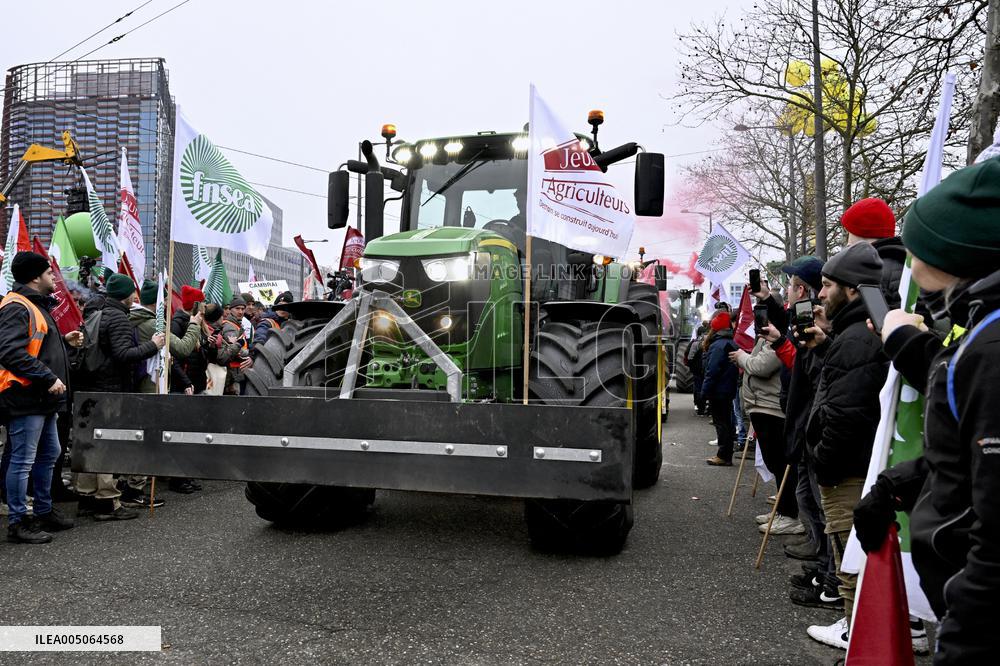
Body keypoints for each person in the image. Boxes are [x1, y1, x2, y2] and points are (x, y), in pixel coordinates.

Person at [852, 156, 1000, 663]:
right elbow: (967, 449)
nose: (905, 256)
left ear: (952, 251)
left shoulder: (992, 347)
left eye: (918, 242)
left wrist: (962, 646)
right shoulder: (979, 329)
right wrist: (903, 482)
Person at [798, 242, 889, 650]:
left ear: (851, 290)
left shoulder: (856, 339)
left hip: (846, 470)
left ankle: (858, 640)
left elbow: (847, 414)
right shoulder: (859, 331)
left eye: (827, 285)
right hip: (855, 465)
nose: (820, 294)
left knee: (849, 558)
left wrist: (822, 463)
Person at [0, 252, 83, 543]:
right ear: (35, 277)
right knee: (23, 460)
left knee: (50, 454)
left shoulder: (34, 305)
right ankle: (18, 521)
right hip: (27, 397)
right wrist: (48, 378)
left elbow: (36, 347)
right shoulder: (16, 306)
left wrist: (63, 342)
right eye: (49, 273)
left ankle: (44, 511)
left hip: (40, 398)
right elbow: (10, 352)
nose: (54, 277)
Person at [74, 272, 164, 521]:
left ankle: (86, 497)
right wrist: (153, 345)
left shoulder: (96, 312)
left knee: (90, 442)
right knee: (107, 443)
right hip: (110, 388)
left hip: (92, 386)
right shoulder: (118, 317)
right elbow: (124, 354)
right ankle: (106, 502)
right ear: (128, 295)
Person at [729, 302, 803, 536]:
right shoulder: (766, 337)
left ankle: (790, 514)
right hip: (761, 406)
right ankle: (782, 510)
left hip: (771, 406)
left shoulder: (780, 338)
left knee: (780, 463)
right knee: (774, 462)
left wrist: (742, 356)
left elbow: (760, 366)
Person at [129, 279, 203, 499]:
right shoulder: (154, 323)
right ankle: (136, 488)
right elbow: (182, 348)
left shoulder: (135, 318)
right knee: (149, 437)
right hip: (150, 387)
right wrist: (195, 324)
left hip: (142, 383)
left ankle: (136, 486)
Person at [840, 197, 905, 308]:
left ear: (861, 232)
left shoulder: (870, 271)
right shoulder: (905, 262)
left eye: (849, 233)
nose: (847, 243)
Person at [701, 311, 739, 466]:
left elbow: (712, 371)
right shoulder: (731, 342)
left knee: (721, 423)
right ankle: (726, 453)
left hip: (718, 390)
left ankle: (723, 455)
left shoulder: (717, 345)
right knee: (727, 422)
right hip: (728, 388)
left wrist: (704, 391)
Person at [171, 285, 208, 395]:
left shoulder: (199, 323)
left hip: (198, 383)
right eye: (202, 302)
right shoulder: (177, 324)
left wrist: (210, 346)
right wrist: (185, 383)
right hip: (183, 387)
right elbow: (173, 359)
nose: (205, 305)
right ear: (195, 305)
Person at [686, 322, 709, 416]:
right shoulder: (710, 342)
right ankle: (709, 409)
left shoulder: (695, 344)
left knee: (699, 388)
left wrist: (693, 367)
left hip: (697, 371)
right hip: (708, 370)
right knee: (707, 388)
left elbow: (690, 358)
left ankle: (700, 409)